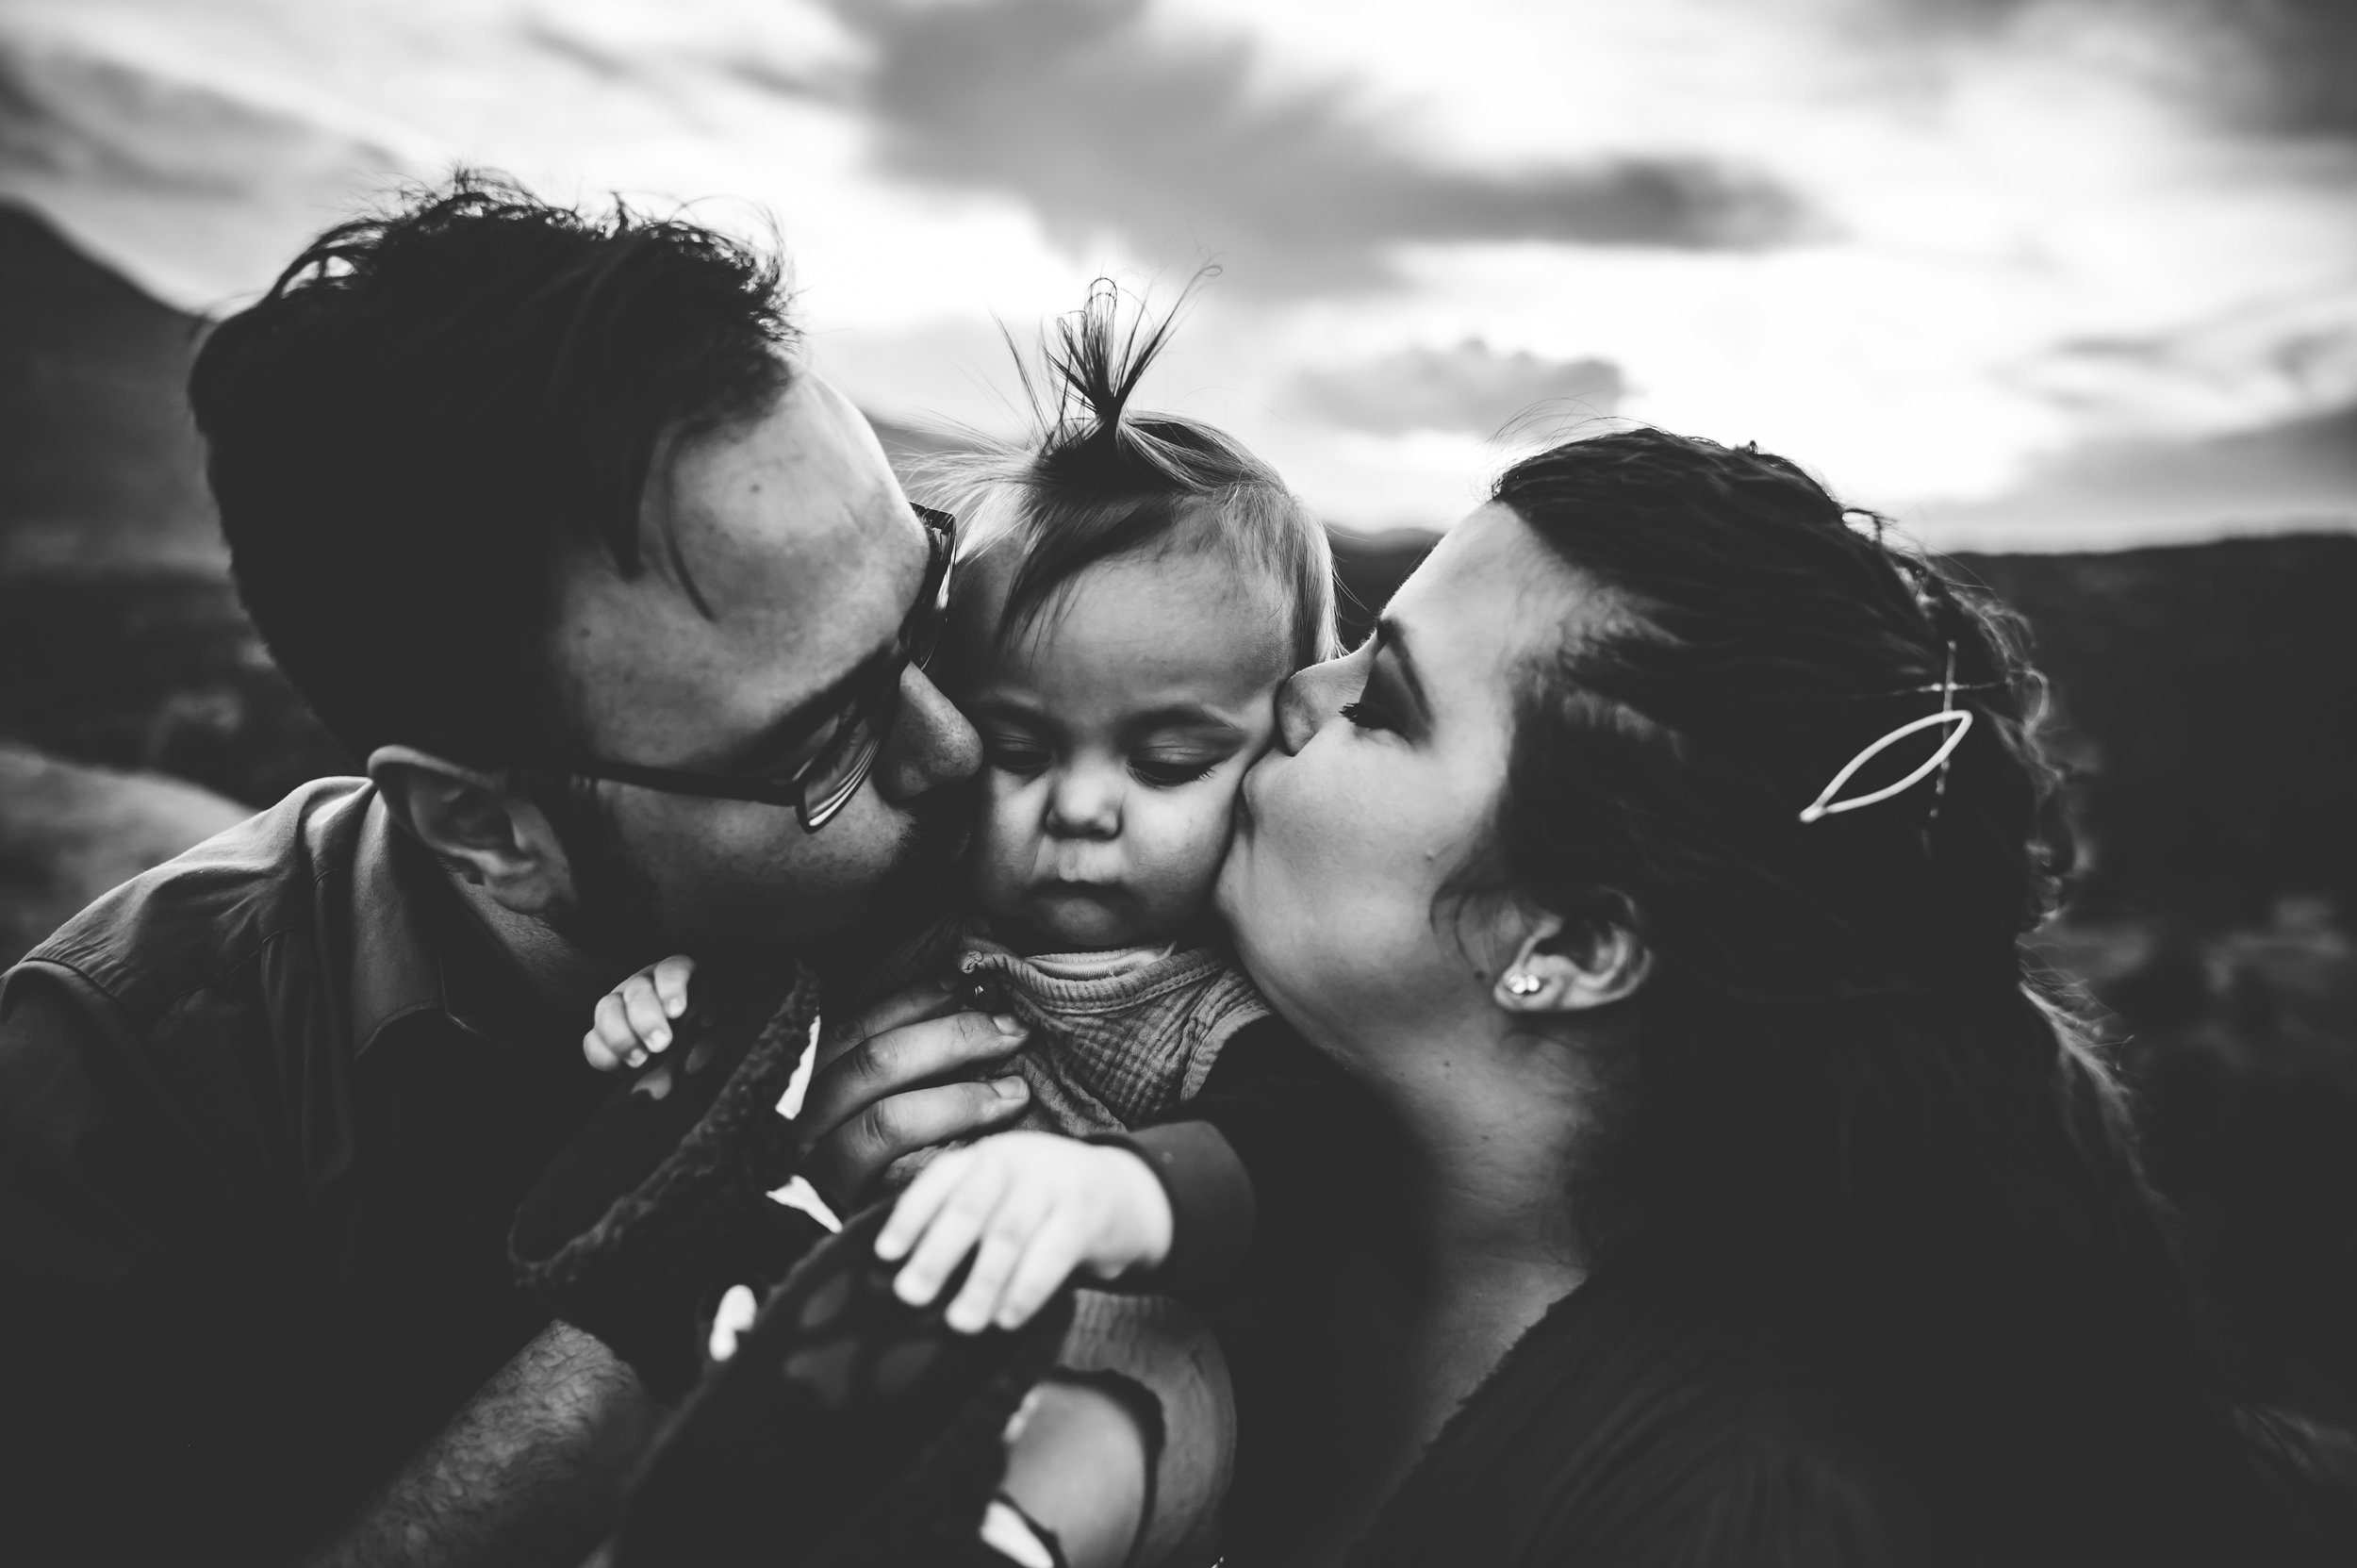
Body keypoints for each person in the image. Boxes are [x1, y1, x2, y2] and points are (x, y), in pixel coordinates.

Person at [846, 428, 2357, 1564]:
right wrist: (898, 1210)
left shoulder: (1725, 1515)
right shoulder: (1229, 1178)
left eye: (1382, 699)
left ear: (1565, 945)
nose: (1297, 695)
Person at [0, 177, 1049, 1566]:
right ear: (487, 829)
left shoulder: (1030, 834)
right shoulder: (123, 1103)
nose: (959, 751)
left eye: (926, 596)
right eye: (825, 742)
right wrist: (730, 1257)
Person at [578, 285, 1346, 1566]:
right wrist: (678, 1010)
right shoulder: (911, 909)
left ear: (1275, 755)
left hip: (1093, 1334)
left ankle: (997, 1541)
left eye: (1166, 762)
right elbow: (775, 1008)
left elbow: (1306, 1152)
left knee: (1145, 1360)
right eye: (1020, 746)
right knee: (767, 1263)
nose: (1083, 810)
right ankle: (731, 1483)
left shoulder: (1225, 1000)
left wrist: (1117, 1192)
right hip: (882, 1318)